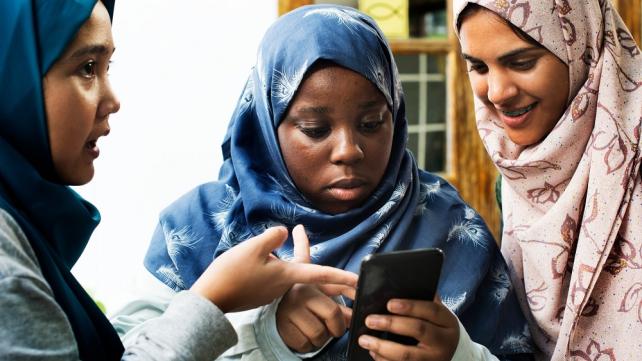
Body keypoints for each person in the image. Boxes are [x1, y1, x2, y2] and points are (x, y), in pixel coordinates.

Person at [138, 5, 533, 361]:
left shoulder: (448, 224)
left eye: (371, 123)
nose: (348, 150)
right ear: (266, 125)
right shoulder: (202, 228)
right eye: (315, 128)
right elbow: (136, 352)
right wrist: (265, 336)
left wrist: (458, 353)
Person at [0, 1, 358, 360]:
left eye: (372, 122)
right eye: (88, 67)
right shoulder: (200, 219)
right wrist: (224, 307)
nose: (113, 100)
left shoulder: (416, 209)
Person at [454, 0, 642, 360]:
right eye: (478, 66)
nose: (497, 93)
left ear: (581, 43)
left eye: (521, 62)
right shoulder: (515, 179)